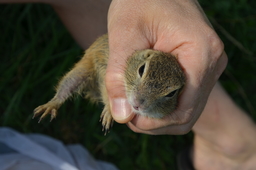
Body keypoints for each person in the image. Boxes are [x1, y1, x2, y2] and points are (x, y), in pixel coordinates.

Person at [1, 0, 256, 169]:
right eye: (142, 71)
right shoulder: (134, 63)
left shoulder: (160, 96)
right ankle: (231, 143)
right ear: (144, 59)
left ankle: (227, 141)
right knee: (77, 77)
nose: (141, 100)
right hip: (97, 63)